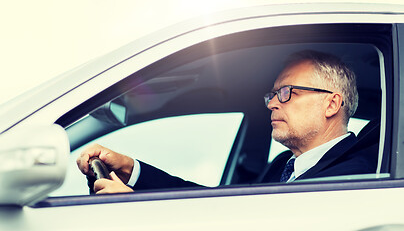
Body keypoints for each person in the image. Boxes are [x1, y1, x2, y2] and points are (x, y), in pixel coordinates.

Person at [76, 50, 377, 194]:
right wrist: (133, 170)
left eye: (286, 92)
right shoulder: (284, 165)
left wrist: (140, 214)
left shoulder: (356, 175)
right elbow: (216, 203)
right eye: (272, 94)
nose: (272, 103)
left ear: (332, 103)